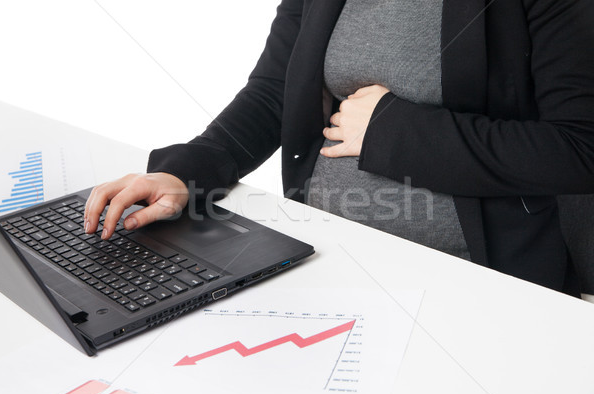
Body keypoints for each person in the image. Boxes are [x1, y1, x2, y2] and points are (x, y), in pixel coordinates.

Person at [84, 0, 594, 296]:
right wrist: (184, 173)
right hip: (319, 256)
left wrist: (391, 132)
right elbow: (273, 92)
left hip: (468, 279)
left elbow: (580, 148)